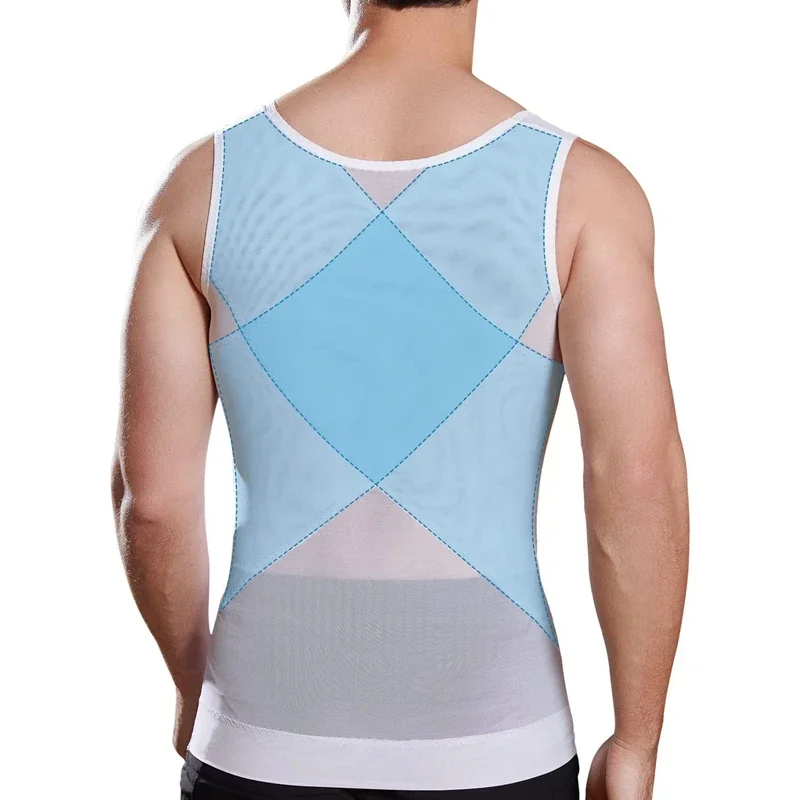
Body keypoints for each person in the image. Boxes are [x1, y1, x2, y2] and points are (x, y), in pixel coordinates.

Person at [111, 1, 689, 798]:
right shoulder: (584, 191)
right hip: (499, 743)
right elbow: (636, 481)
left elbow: (152, 503)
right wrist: (636, 741)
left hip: (260, 742)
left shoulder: (201, 186)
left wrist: (193, 687)